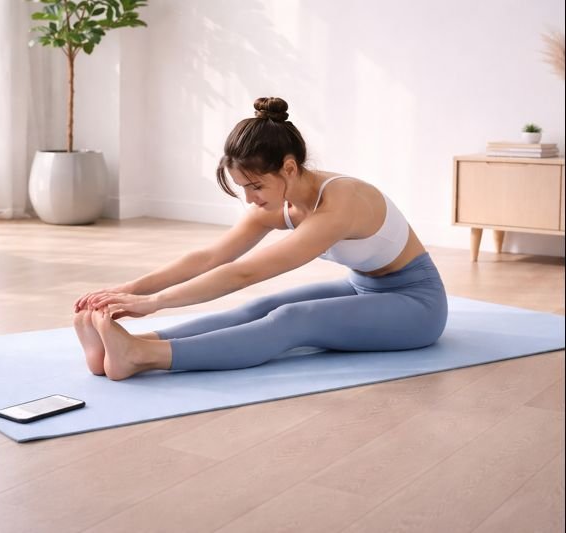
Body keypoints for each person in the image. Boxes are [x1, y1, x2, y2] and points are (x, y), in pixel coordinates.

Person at [73, 97, 448, 381]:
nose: (250, 199)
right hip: (362, 288)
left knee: (292, 318)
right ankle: (136, 343)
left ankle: (144, 356)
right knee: (260, 308)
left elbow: (244, 273)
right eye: (242, 188)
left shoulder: (342, 201)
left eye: (255, 186)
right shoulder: (277, 200)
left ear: (288, 166)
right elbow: (210, 257)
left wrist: (154, 301)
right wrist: (128, 290)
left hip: (416, 305)